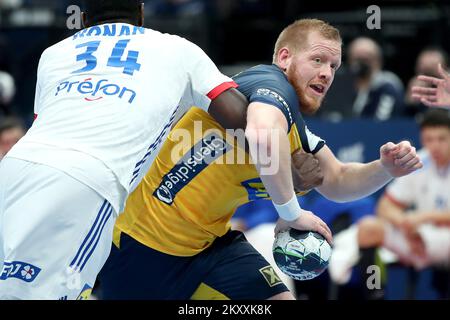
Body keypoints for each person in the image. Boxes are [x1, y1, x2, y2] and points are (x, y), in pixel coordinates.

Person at [98, 19, 422, 300]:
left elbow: (337, 180)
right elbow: (263, 134)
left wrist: (385, 169)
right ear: (284, 58)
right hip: (142, 243)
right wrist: (291, 212)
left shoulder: (295, 128)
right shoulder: (267, 82)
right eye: (318, 60)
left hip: (211, 245)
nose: (326, 74)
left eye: (334, 67)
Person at [0, 0, 251, 300]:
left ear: (81, 17)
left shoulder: (53, 53)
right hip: (87, 181)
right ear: (142, 13)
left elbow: (46, 124)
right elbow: (243, 118)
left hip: (15, 169)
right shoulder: (178, 49)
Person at [329, 108, 450, 286]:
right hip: (420, 236)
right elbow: (385, 206)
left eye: (442, 139)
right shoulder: (420, 160)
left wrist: (423, 218)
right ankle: (375, 291)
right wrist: (404, 223)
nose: (435, 146)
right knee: (369, 229)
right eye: (429, 139)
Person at [347, 37, 405, 121]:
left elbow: (381, 122)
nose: (361, 65)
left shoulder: (387, 85)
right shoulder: (342, 86)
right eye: (357, 59)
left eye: (366, 59)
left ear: (378, 61)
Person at [405, 48, 448, 117]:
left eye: (433, 74)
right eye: (425, 73)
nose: (429, 80)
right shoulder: (414, 88)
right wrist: (409, 103)